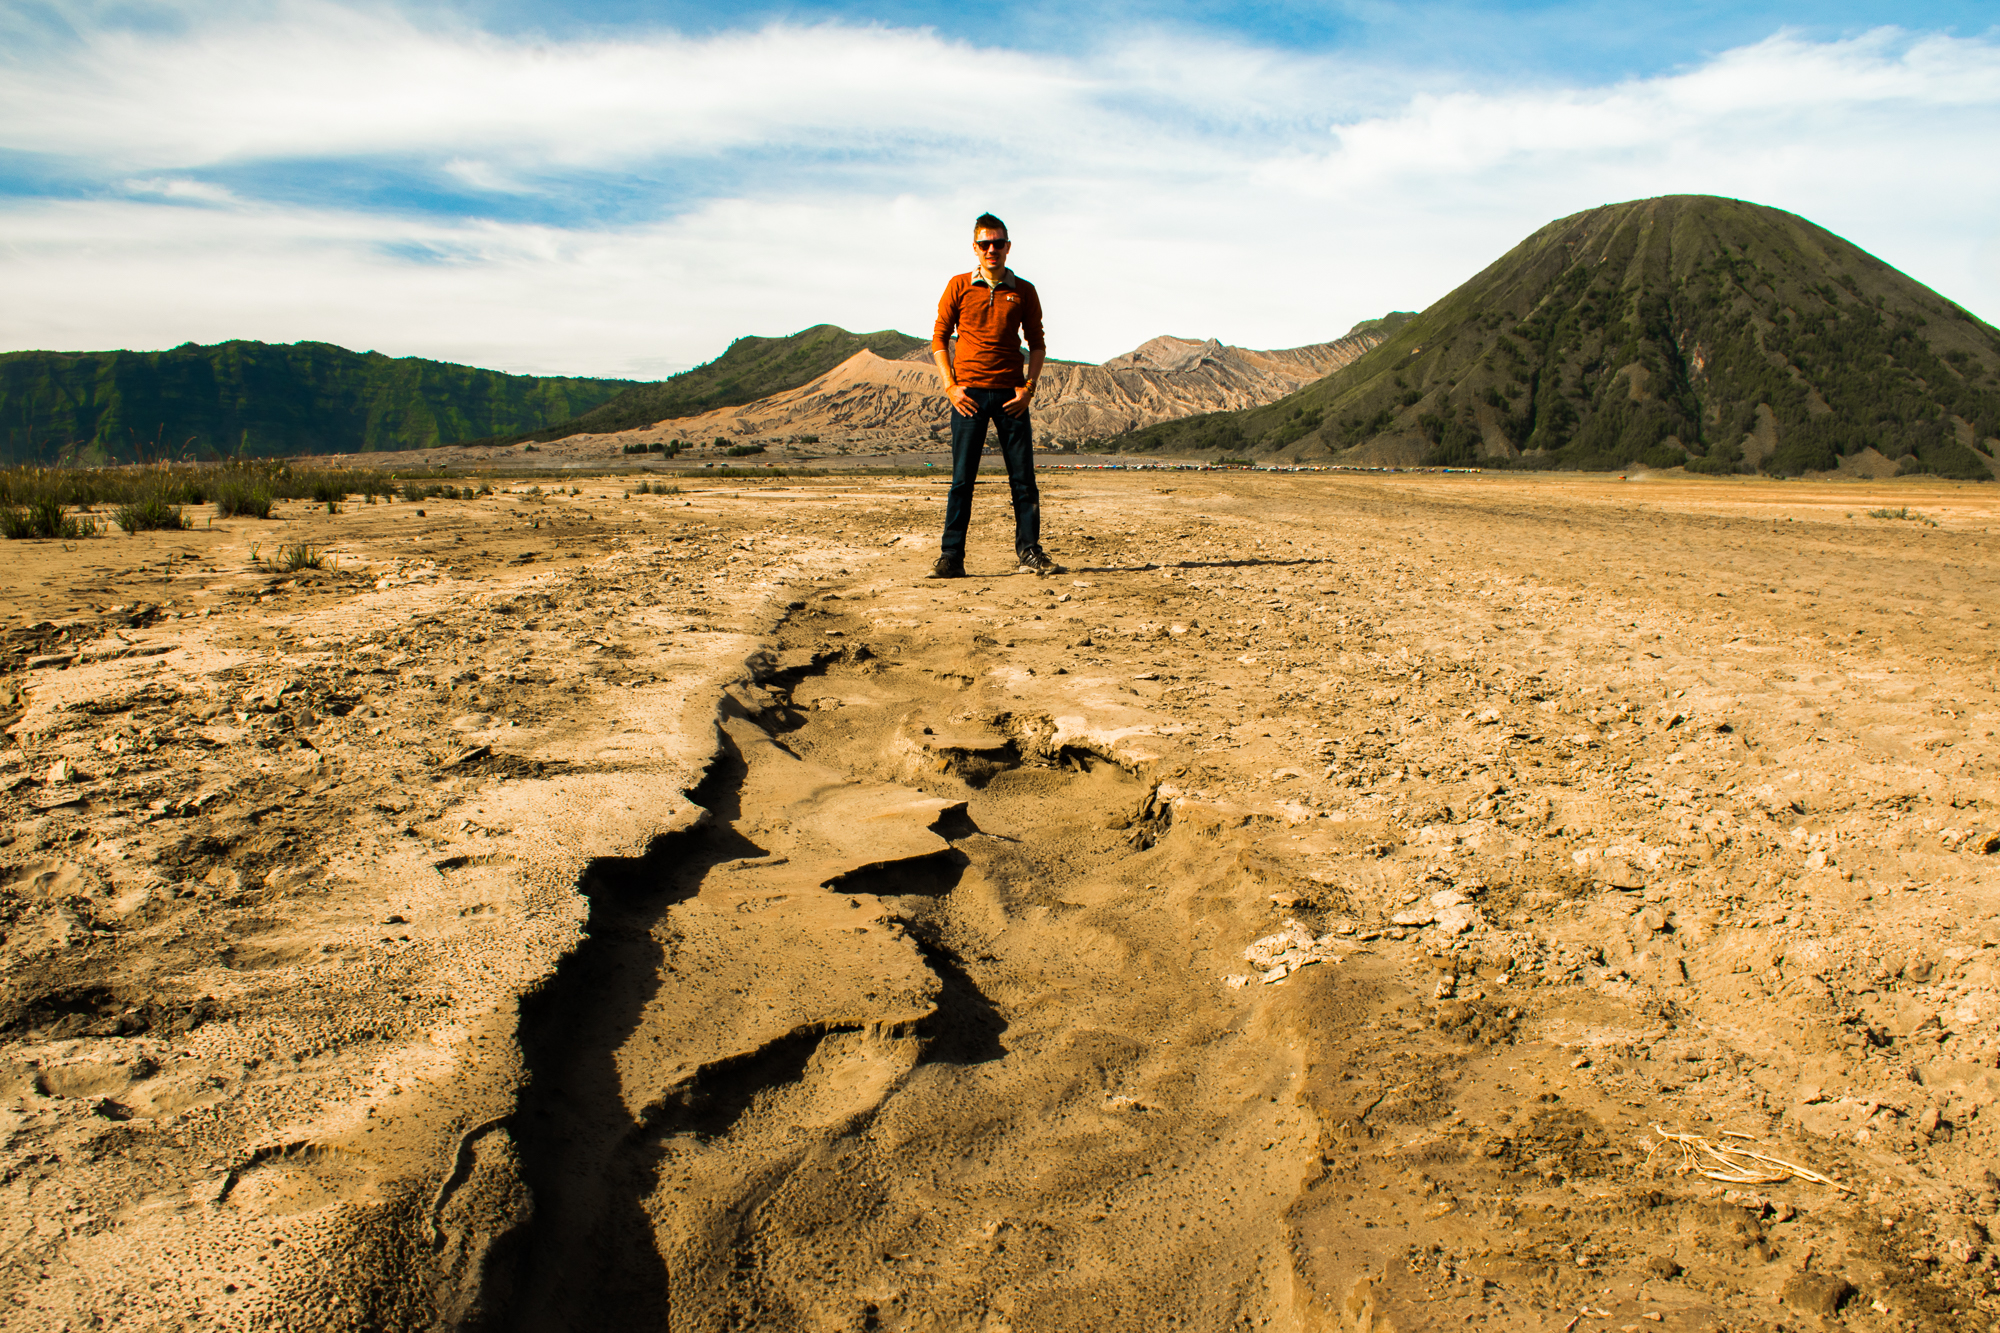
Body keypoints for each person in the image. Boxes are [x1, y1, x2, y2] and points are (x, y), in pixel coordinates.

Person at [928, 212, 1061, 578]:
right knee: (962, 479)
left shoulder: (1024, 291)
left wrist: (1028, 389)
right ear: (975, 248)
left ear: (1008, 247)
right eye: (985, 244)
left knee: (1023, 479)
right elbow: (939, 339)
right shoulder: (958, 286)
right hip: (968, 395)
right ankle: (952, 556)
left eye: (998, 243)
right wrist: (950, 386)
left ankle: (1029, 551)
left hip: (1010, 396)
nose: (991, 250)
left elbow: (1037, 345)